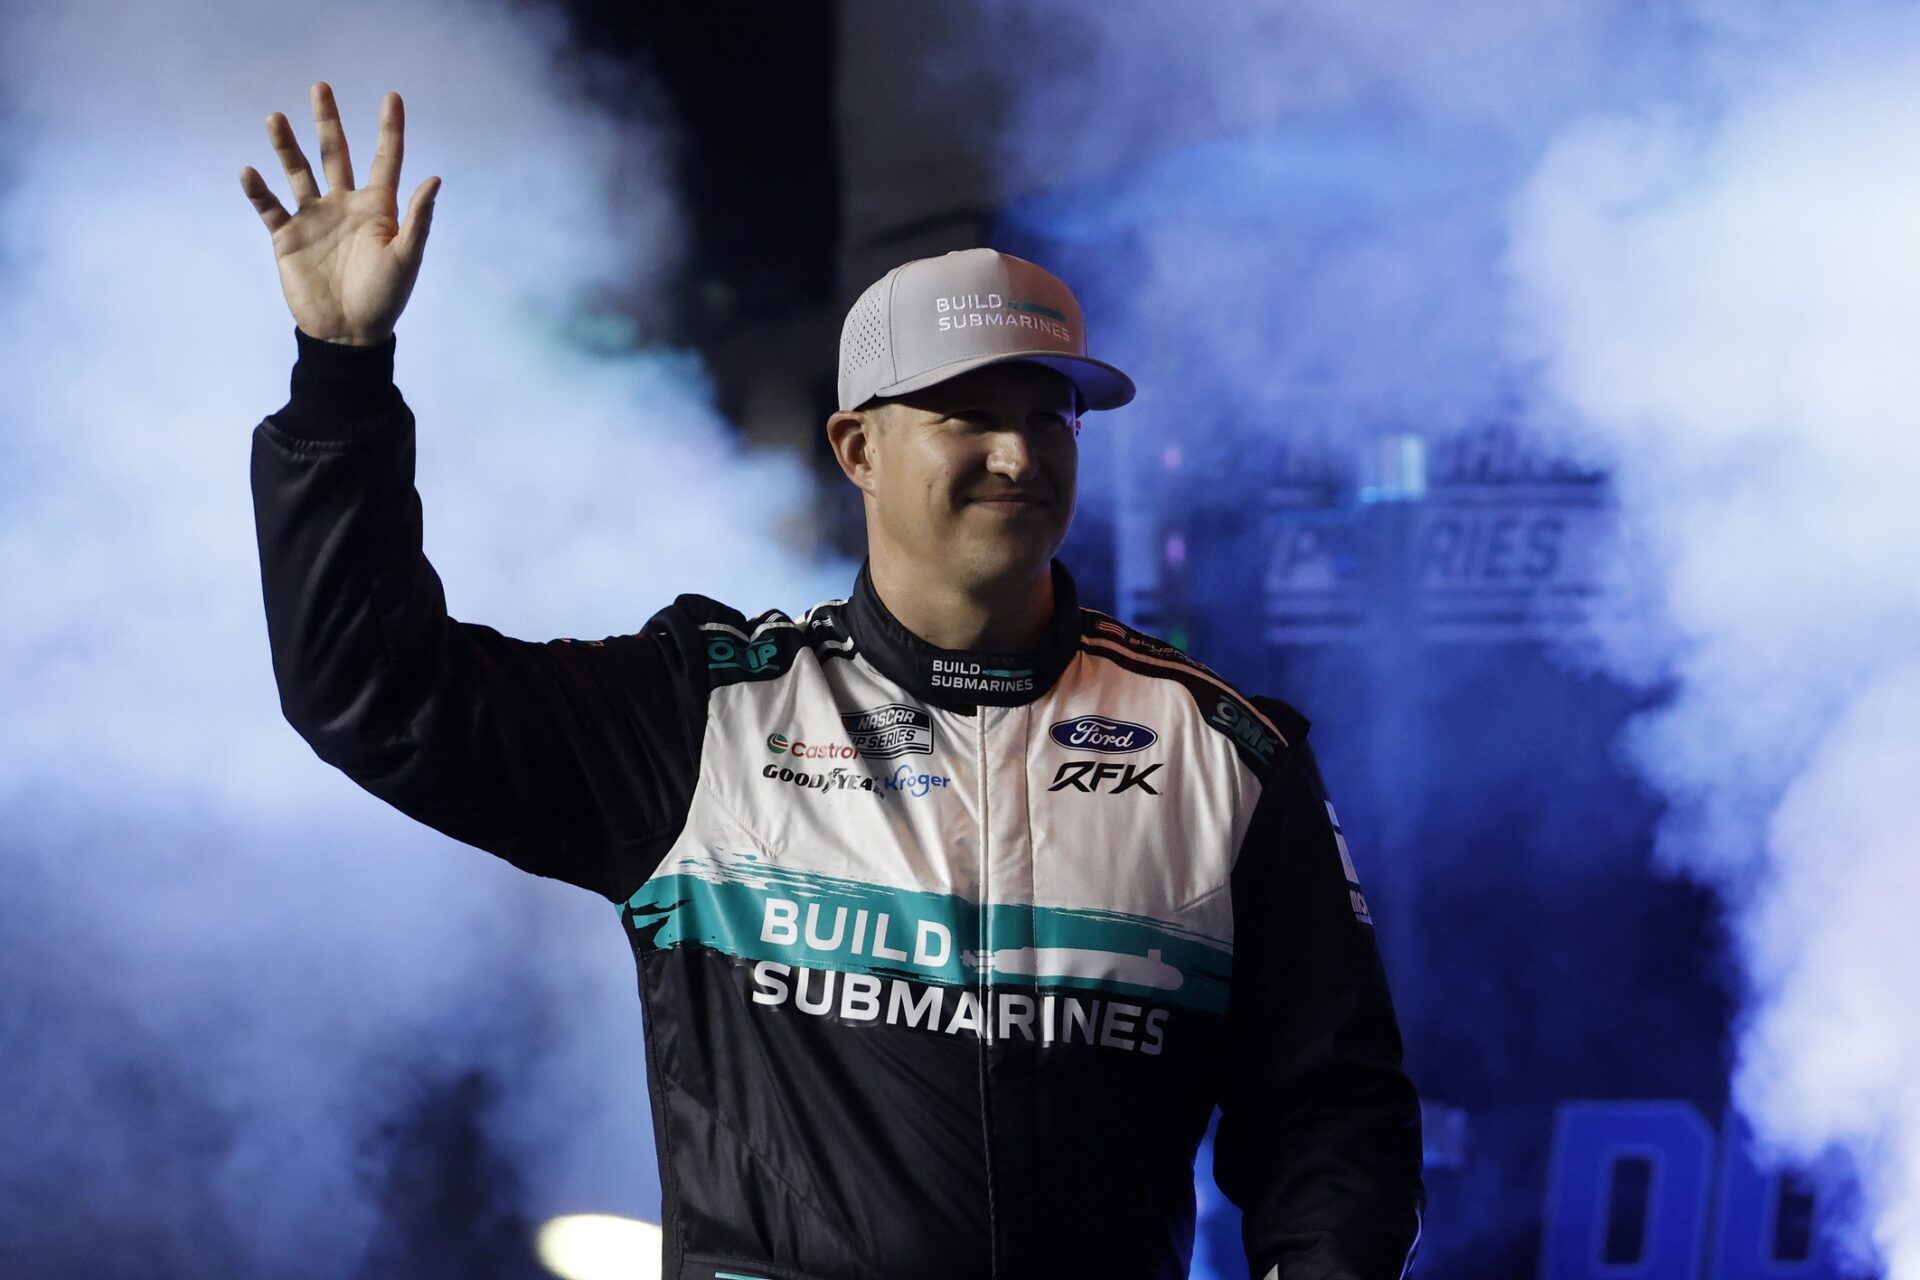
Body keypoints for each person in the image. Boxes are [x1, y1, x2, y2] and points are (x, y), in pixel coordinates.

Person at [243, 82, 1426, 1280]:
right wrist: (342, 374)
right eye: (968, 413)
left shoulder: (1220, 751)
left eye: (1050, 415)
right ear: (858, 447)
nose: (1018, 453)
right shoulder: (707, 716)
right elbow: (372, 688)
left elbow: (1333, 1118)